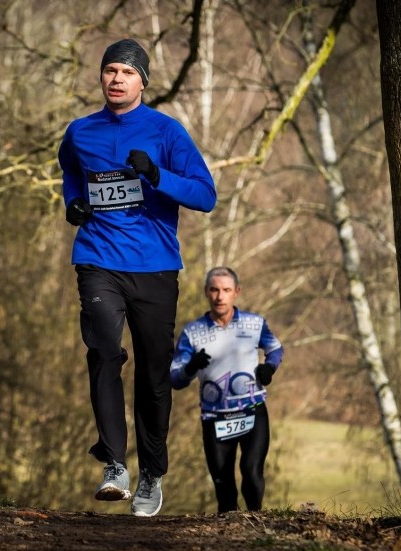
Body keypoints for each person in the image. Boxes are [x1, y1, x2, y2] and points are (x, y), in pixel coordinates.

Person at [57, 38, 216, 517]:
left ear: (143, 81)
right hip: (98, 259)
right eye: (109, 70)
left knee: (152, 372)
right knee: (104, 350)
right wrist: (73, 204)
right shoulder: (80, 132)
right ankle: (114, 465)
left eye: (126, 72)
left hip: (154, 267)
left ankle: (151, 474)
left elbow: (205, 195)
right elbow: (69, 172)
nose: (116, 79)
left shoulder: (166, 132)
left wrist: (158, 177)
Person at [170, 266, 284, 513]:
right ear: (206, 293)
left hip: (252, 411)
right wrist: (191, 367)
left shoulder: (255, 324)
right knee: (224, 487)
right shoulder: (192, 332)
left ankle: (256, 522)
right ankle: (227, 541)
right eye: (214, 290)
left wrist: (269, 368)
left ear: (236, 292)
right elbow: (175, 379)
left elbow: (275, 349)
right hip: (214, 417)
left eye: (226, 290)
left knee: (252, 474)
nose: (220, 297)